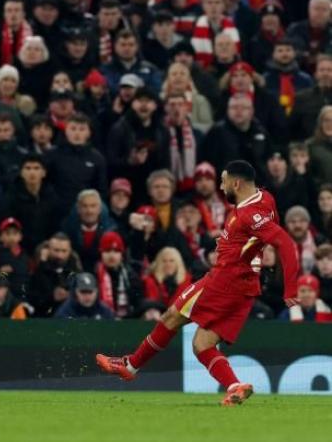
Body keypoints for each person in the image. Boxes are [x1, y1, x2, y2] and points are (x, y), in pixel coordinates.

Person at [97, 160, 300, 406]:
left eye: (224, 182)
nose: (222, 188)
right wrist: (248, 253)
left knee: (171, 316)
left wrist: (290, 287)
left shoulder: (249, 215)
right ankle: (235, 386)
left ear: (236, 183)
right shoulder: (266, 199)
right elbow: (266, 232)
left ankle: (130, 366)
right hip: (246, 287)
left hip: (225, 280)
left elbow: (285, 243)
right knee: (202, 344)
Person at [106, 87, 170, 202]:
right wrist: (130, 162)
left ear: (155, 105)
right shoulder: (120, 128)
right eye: (140, 101)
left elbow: (165, 163)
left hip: (153, 192)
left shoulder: (162, 130)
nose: (143, 105)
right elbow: (110, 162)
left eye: (148, 101)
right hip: (127, 191)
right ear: (132, 104)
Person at [45, 112, 108, 215]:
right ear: (66, 130)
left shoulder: (97, 158)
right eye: (73, 129)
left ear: (89, 133)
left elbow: (101, 190)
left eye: (82, 129)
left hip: (86, 212)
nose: (77, 133)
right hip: (57, 210)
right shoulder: (52, 155)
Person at [202, 94, 273, 180]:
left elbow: (267, 161)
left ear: (251, 111)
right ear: (228, 110)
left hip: (256, 187)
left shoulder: (261, 132)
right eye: (234, 107)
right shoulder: (216, 132)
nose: (238, 111)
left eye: (243, 108)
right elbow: (208, 163)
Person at [28, 232, 82, 317]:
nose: (60, 255)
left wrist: (70, 296)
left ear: (70, 251)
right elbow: (33, 298)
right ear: (48, 250)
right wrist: (52, 297)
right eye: (56, 250)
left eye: (64, 251)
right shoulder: (37, 269)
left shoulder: (75, 269)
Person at [94, 231, 144, 318]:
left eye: (116, 251)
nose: (112, 255)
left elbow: (137, 302)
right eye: (107, 250)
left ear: (121, 254)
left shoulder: (130, 276)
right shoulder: (94, 275)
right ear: (101, 253)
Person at [263, 38, 314, 116]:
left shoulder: (305, 79)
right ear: (273, 54)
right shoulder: (265, 80)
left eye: (288, 50)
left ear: (294, 53)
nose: (284, 54)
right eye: (280, 51)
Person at [191, 0, 240, 69]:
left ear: (223, 6)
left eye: (217, 2)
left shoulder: (235, 29)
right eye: (209, 3)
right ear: (203, 6)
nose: (213, 6)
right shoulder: (193, 28)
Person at [290, 55, 332, 141]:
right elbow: (293, 127)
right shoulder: (301, 97)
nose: (325, 73)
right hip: (308, 146)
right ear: (316, 74)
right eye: (322, 70)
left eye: (329, 70)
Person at [286, 0, 332, 72]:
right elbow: (286, 52)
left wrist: (327, 58)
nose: (319, 13)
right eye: (316, 9)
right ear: (309, 10)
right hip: (299, 72)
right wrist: (307, 57)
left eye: (324, 9)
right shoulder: (295, 29)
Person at [285, 206, 326, 275]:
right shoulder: (279, 243)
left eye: (302, 221)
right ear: (286, 225)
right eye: (292, 222)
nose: (297, 225)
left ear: (308, 223)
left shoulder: (320, 241)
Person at [307, 106, 332, 186]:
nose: (329, 124)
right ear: (320, 123)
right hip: (320, 194)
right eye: (326, 120)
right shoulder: (310, 146)